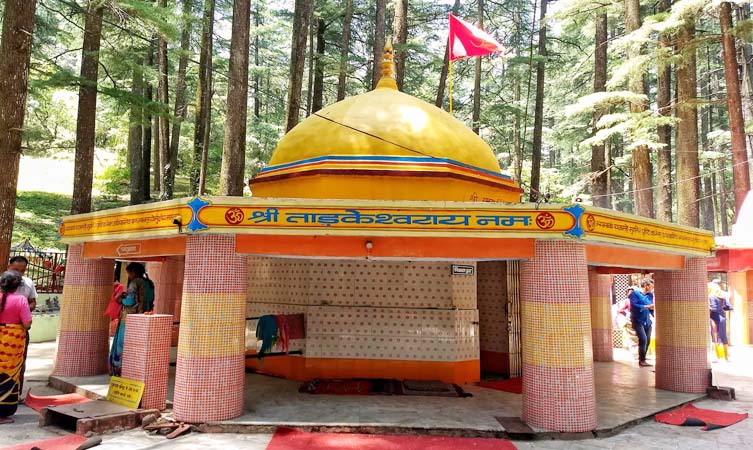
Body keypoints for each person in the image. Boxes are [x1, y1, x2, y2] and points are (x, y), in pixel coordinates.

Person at [108, 262, 153, 376]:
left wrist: (120, 299)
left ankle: (120, 370)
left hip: (130, 317)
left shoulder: (134, 283)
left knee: (123, 343)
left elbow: (129, 301)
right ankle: (137, 369)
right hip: (145, 317)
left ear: (133, 272)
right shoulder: (149, 283)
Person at [0, 271, 32, 424]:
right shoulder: (21, 300)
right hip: (12, 342)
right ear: (18, 286)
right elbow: (27, 323)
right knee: (8, 376)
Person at [8, 256, 37, 399]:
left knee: (20, 361)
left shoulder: (28, 283)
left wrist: (23, 311)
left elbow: (33, 303)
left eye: (22, 270)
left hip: (20, 331)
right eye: (15, 270)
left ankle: (17, 394)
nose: (19, 273)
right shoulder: (3, 282)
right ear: (9, 267)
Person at [629, 278, 655, 367]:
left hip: (647, 321)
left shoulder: (650, 295)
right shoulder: (635, 294)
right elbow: (634, 306)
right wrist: (647, 306)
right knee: (643, 339)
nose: (652, 288)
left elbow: (651, 307)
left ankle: (643, 358)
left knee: (647, 340)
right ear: (646, 286)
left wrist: (653, 311)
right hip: (637, 320)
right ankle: (642, 360)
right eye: (651, 286)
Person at [708, 278, 732, 361]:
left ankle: (717, 356)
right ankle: (726, 356)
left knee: (715, 336)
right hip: (722, 316)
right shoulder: (723, 294)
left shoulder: (710, 296)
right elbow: (728, 306)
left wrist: (708, 307)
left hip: (713, 316)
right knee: (723, 336)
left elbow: (712, 308)